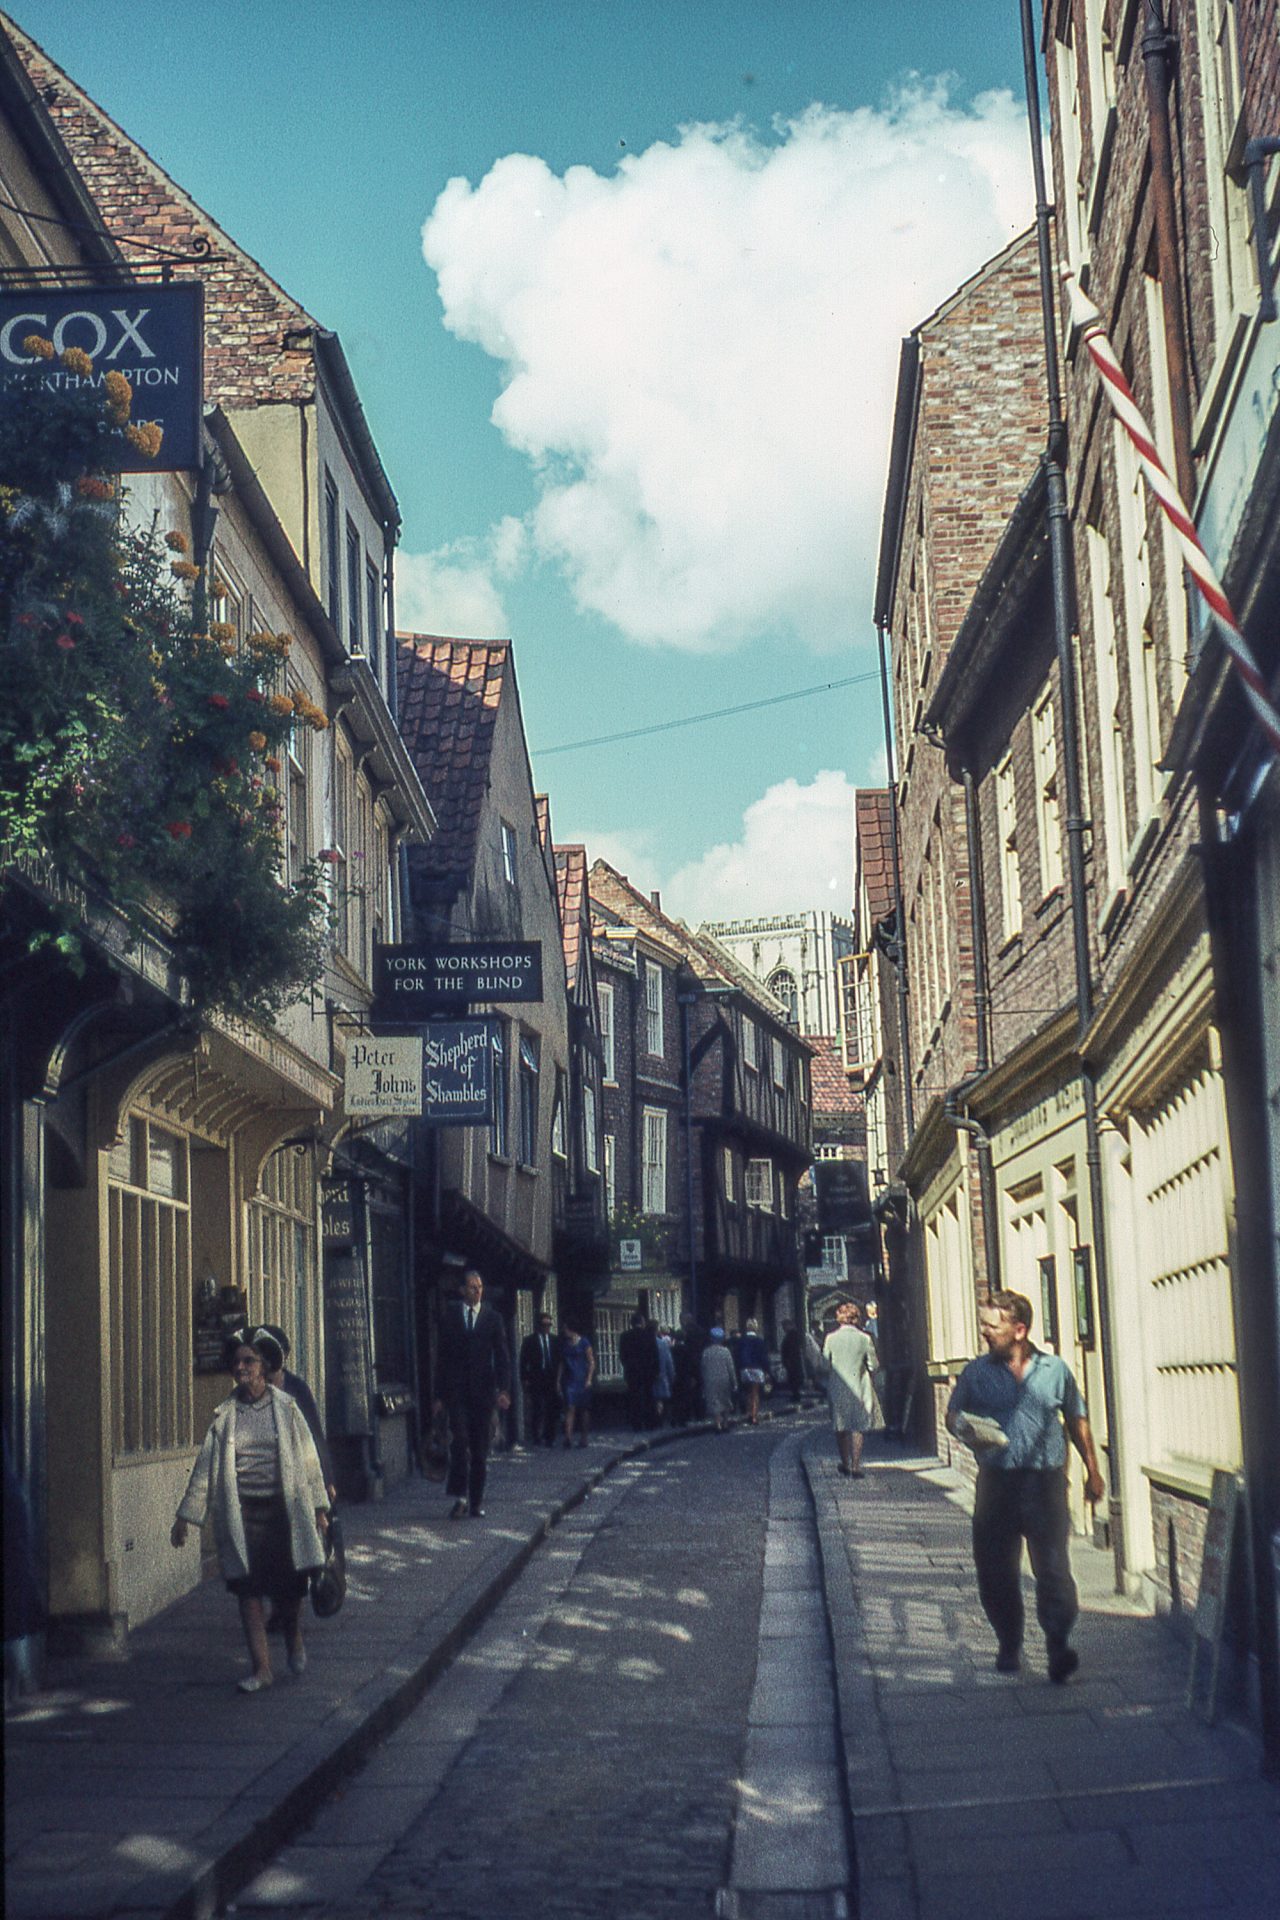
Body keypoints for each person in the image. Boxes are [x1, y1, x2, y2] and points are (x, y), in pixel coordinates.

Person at [946, 1289, 1105, 1682]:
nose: (985, 1332)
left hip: (1044, 1483)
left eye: (992, 1326)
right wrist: (966, 1429)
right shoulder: (975, 1372)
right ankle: (1009, 1642)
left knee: (1053, 1569)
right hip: (996, 1484)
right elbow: (953, 1414)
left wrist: (1092, 1469)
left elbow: (1076, 1418)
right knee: (995, 1570)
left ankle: (1057, 1644)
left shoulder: (1055, 1371)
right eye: (984, 1324)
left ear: (1019, 1330)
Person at [171, 1336, 329, 1693]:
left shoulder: (287, 1408)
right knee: (248, 1592)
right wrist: (186, 1516)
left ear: (264, 1367)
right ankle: (262, 1669)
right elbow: (205, 1468)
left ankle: (294, 1637)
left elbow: (308, 1460)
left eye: (249, 1361)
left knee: (289, 1594)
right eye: (238, 1362)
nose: (241, 1368)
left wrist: (320, 1507)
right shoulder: (225, 1415)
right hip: (244, 1517)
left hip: (283, 1515)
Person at [432, 1269, 511, 1520]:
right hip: (457, 1393)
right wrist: (439, 1396)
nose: (477, 1291)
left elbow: (502, 1356)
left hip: (483, 1394)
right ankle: (460, 1497)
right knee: (460, 1442)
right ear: (462, 1290)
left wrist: (504, 1389)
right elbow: (441, 1359)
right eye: (472, 1287)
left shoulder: (492, 1318)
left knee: (479, 1450)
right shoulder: (451, 1317)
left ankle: (475, 1502)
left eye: (480, 1287)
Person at [824, 1300, 878, 1477]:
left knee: (841, 1427)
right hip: (859, 1386)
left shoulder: (830, 1339)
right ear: (856, 1318)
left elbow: (825, 1364)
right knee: (858, 1426)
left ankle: (845, 1462)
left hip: (837, 1387)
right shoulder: (865, 1339)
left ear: (839, 1317)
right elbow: (873, 1365)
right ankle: (856, 1465)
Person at [519, 1311, 560, 1447]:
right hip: (536, 1377)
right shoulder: (529, 1341)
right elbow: (523, 1362)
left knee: (551, 1408)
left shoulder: (555, 1340)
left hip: (551, 1378)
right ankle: (536, 1436)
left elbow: (560, 1361)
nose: (547, 1328)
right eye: (544, 1325)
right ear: (539, 1326)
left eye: (549, 1324)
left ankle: (550, 1437)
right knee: (537, 1407)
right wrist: (524, 1378)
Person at [557, 1318, 596, 1446]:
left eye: (565, 1328)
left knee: (584, 1409)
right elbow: (562, 1363)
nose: (563, 1330)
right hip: (569, 1380)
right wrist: (558, 1380)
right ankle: (568, 1437)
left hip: (582, 1379)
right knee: (569, 1407)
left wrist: (589, 1378)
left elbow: (591, 1361)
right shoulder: (565, 1344)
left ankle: (584, 1437)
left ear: (570, 1329)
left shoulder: (584, 1342)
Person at [619, 1311, 658, 1430]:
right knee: (648, 1396)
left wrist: (627, 1366)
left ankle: (636, 1424)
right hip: (647, 1371)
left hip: (632, 1371)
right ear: (642, 1322)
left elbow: (622, 1355)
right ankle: (649, 1423)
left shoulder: (625, 1336)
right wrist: (656, 1370)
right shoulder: (649, 1335)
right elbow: (654, 1354)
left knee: (634, 1397)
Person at [700, 1326, 738, 1431]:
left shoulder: (706, 1352)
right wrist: (734, 1382)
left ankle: (718, 1424)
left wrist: (703, 1380)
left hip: (710, 1379)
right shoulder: (726, 1351)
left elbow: (703, 1367)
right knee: (725, 1401)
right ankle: (725, 1423)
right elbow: (731, 1368)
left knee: (714, 1401)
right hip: (724, 1379)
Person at [672, 1314, 707, 1425]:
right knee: (698, 1390)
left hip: (687, 1364)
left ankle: (685, 1416)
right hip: (699, 1363)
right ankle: (700, 1414)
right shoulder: (701, 1331)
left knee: (684, 1393)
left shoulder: (686, 1332)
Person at [737, 1317, 770, 1425]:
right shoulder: (760, 1341)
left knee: (747, 1393)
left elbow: (737, 1355)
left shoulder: (741, 1340)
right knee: (755, 1393)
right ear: (756, 1328)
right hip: (757, 1368)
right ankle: (754, 1416)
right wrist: (767, 1370)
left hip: (745, 1368)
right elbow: (764, 1357)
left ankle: (748, 1413)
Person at [653, 1323, 675, 1426]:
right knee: (661, 1399)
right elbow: (668, 1361)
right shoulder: (662, 1344)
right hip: (662, 1375)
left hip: (647, 1377)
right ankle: (661, 1419)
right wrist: (672, 1375)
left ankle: (656, 1419)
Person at [780, 1319, 805, 1403]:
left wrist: (788, 1361)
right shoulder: (791, 1335)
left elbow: (792, 1350)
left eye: (784, 1326)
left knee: (794, 1379)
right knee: (793, 1380)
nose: (783, 1328)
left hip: (792, 1362)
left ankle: (796, 1396)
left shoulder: (792, 1336)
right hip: (792, 1362)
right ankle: (795, 1395)